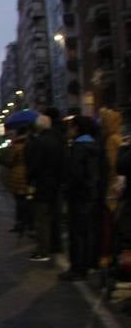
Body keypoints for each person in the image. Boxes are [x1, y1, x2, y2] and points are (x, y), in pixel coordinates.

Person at [61, 113, 103, 281]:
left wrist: (68, 188)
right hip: (92, 196)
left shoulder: (77, 148)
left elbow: (75, 175)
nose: (69, 130)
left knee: (77, 233)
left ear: (77, 128)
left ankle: (77, 269)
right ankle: (88, 265)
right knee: (88, 232)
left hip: (78, 197)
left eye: (71, 126)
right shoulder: (96, 146)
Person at [25, 110, 66, 263]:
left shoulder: (39, 142)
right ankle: (57, 245)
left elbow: (34, 166)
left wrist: (31, 181)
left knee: (41, 219)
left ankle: (43, 250)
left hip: (42, 185)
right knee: (55, 217)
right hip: (57, 184)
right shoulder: (59, 139)